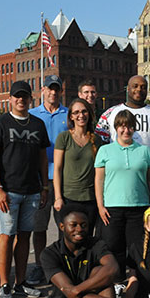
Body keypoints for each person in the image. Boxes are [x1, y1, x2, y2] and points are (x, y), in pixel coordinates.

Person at [0, 81, 47, 298]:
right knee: (6, 234)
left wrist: (44, 187)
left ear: (30, 99)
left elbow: (42, 157)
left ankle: (20, 283)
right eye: (17, 96)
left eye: (25, 96)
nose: (21, 100)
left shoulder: (38, 125)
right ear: (10, 99)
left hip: (32, 190)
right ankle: (5, 283)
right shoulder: (0, 123)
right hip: (7, 192)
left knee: (24, 237)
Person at [95, 109, 150, 278]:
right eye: (122, 126)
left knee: (138, 247)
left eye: (129, 126)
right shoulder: (105, 151)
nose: (126, 130)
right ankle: (118, 280)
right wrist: (100, 205)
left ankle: (138, 280)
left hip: (139, 207)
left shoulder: (144, 151)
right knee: (114, 247)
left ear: (134, 129)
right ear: (116, 128)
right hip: (112, 208)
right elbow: (99, 180)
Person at [29, 74, 69, 286]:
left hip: (63, 179)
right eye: (49, 88)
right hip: (40, 179)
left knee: (64, 225)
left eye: (57, 89)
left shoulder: (69, 114)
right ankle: (39, 265)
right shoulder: (32, 115)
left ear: (61, 91)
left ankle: (63, 265)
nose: (53, 92)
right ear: (42, 90)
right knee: (39, 226)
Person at [53, 98, 103, 234]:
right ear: (71, 116)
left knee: (87, 238)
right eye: (76, 112)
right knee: (68, 239)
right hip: (68, 198)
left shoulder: (96, 140)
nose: (81, 115)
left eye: (84, 111)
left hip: (90, 199)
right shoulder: (63, 138)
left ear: (89, 114)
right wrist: (58, 197)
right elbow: (57, 168)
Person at [95, 75, 150, 156]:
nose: (139, 89)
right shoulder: (110, 113)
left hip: (148, 166)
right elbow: (100, 142)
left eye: (143, 87)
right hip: (117, 166)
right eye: (135, 86)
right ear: (128, 89)